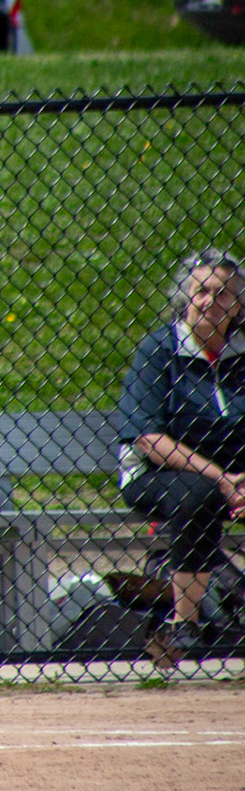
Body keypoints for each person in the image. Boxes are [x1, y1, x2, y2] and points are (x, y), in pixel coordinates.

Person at [117, 249, 245, 668]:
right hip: (160, 475)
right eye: (201, 291)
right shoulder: (160, 350)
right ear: (184, 297)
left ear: (238, 303)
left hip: (235, 477)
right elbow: (148, 438)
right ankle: (185, 623)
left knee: (208, 491)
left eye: (223, 293)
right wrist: (222, 479)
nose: (211, 301)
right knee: (198, 494)